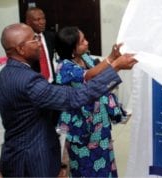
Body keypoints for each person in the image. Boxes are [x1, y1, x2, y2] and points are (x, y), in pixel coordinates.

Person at [0, 23, 137, 177]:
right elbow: (75, 97)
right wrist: (116, 66)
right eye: (34, 40)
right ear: (20, 49)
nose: (39, 44)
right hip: (32, 156)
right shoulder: (28, 80)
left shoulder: (7, 73)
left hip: (20, 152)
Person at [55, 26, 129, 177]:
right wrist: (115, 63)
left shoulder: (85, 57)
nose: (87, 42)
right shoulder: (64, 67)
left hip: (99, 122)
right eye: (82, 41)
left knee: (105, 160)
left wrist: (112, 56)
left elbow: (99, 71)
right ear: (72, 49)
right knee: (85, 165)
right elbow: (89, 76)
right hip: (82, 126)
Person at [25, 7, 56, 82]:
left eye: (43, 19)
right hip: (35, 84)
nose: (42, 22)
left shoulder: (50, 36)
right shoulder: (25, 41)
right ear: (28, 22)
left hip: (52, 82)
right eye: (38, 20)